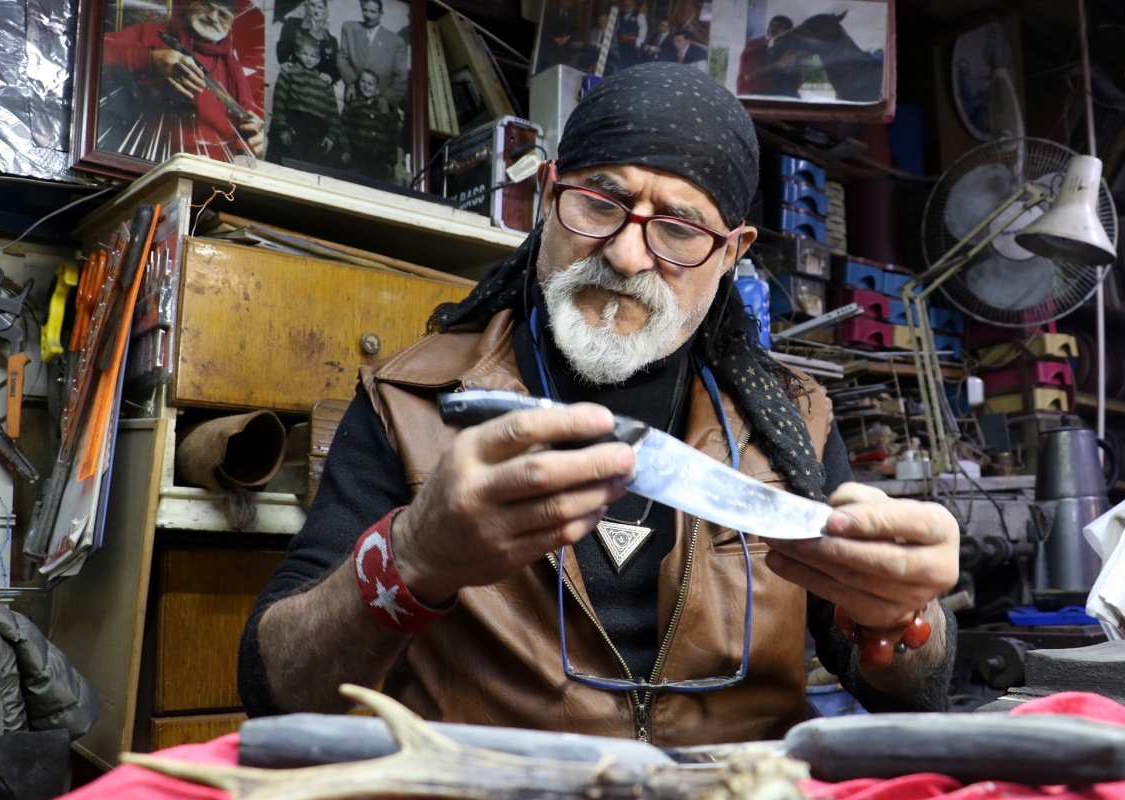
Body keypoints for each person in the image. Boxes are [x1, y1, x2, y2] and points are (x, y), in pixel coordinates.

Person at [238, 63, 959, 746]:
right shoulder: (414, 403)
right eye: (598, 203)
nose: (625, 253)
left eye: (679, 229)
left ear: (732, 251)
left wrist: (900, 617)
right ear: (548, 195)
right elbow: (278, 692)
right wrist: (411, 557)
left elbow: (909, 696)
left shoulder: (795, 424)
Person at [100, 0, 264, 161]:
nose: (213, 17)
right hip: (147, 166)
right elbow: (92, 53)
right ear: (191, 4)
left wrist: (256, 133)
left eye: (223, 15)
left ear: (231, 23)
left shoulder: (231, 68)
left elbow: (248, 118)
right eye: (206, 5)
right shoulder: (151, 34)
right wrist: (150, 57)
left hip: (216, 174)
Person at [267, 34, 340, 167]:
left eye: (314, 56)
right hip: (294, 129)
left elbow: (333, 110)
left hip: (317, 134)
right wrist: (283, 129)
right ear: (296, 52)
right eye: (305, 54)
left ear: (319, 58)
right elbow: (279, 103)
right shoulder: (288, 73)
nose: (309, 59)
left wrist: (332, 136)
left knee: (310, 168)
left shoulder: (324, 80)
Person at [337, 0, 408, 107]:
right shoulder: (349, 28)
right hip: (355, 94)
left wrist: (387, 99)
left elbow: (401, 76)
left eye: (373, 12)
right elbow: (342, 58)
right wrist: (351, 83)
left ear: (381, 13)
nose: (368, 15)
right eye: (365, 10)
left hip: (381, 100)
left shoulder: (396, 41)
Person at [339, 69, 400, 180]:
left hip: (379, 160)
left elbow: (391, 137)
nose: (366, 86)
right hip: (358, 156)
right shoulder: (353, 105)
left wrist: (390, 163)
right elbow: (344, 128)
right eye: (363, 82)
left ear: (377, 90)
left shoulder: (383, 110)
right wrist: (345, 150)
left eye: (370, 84)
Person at [737, 15, 805, 97]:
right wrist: (779, 65)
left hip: (784, 93)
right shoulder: (756, 46)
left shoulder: (790, 48)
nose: (772, 28)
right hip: (754, 94)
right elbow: (748, 76)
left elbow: (798, 79)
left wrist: (801, 62)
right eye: (771, 25)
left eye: (778, 26)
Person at [275, 0, 340, 85]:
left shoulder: (331, 40)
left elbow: (335, 66)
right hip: (294, 79)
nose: (316, 11)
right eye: (313, 5)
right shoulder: (293, 24)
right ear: (307, 5)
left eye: (320, 7)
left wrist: (330, 76)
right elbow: (283, 45)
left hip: (317, 85)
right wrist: (284, 61)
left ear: (325, 10)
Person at [537, 0, 579, 72]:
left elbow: (576, 29)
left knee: (563, 64)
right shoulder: (550, 11)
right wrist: (554, 38)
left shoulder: (573, 13)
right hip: (550, 42)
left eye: (570, 1)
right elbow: (544, 28)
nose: (567, 3)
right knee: (550, 65)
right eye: (565, 1)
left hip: (566, 43)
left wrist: (568, 37)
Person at [614, 0, 647, 69]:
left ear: (633, 4)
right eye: (625, 5)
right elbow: (617, 28)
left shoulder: (640, 15)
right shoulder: (620, 15)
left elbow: (643, 30)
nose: (627, 6)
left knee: (629, 65)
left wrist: (638, 44)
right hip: (621, 44)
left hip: (632, 45)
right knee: (619, 62)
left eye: (629, 5)